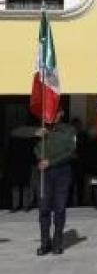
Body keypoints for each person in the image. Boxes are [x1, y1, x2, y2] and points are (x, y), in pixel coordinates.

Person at [12, 108, 77, 256]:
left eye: (56, 112)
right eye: (50, 112)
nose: (53, 116)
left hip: (62, 173)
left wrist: (51, 162)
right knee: (44, 209)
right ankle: (45, 242)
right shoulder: (40, 129)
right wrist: (34, 132)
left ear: (62, 113)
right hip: (43, 174)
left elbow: (71, 153)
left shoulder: (69, 130)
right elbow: (15, 132)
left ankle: (57, 242)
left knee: (59, 209)